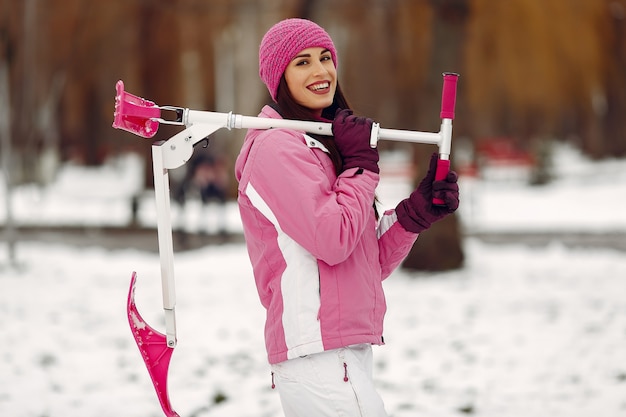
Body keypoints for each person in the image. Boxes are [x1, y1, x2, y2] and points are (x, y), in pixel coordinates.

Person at [234, 18, 459, 417]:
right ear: (279, 77)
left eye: (325, 58)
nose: (321, 72)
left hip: (341, 349)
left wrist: (413, 215)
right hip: (316, 353)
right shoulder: (275, 147)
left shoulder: (321, 143)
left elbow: (362, 261)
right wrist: (360, 164)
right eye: (302, 63)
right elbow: (333, 239)